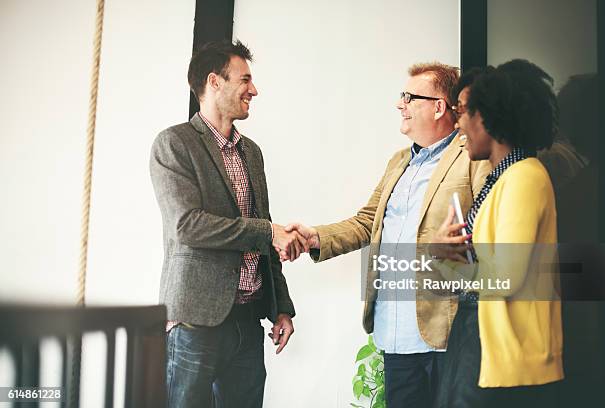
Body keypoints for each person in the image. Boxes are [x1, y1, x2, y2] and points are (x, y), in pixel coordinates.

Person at [283, 63, 490, 408]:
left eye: (409, 97)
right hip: (394, 334)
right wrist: (315, 236)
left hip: (445, 332)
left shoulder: (471, 155)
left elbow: (487, 229)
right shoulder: (398, 162)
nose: (400, 104)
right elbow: (367, 221)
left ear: (440, 106)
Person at [149, 40, 306, 408]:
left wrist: (281, 305)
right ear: (214, 82)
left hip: (248, 322)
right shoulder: (174, 144)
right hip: (194, 323)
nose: (254, 90)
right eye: (245, 79)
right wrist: (268, 231)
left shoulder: (252, 152)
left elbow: (266, 232)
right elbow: (188, 226)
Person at [431, 59, 564, 408]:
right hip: (480, 341)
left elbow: (505, 277)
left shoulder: (524, 178)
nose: (457, 123)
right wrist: (448, 256)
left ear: (487, 117)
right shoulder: (502, 180)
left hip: (505, 354)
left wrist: (448, 261)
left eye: (463, 111)